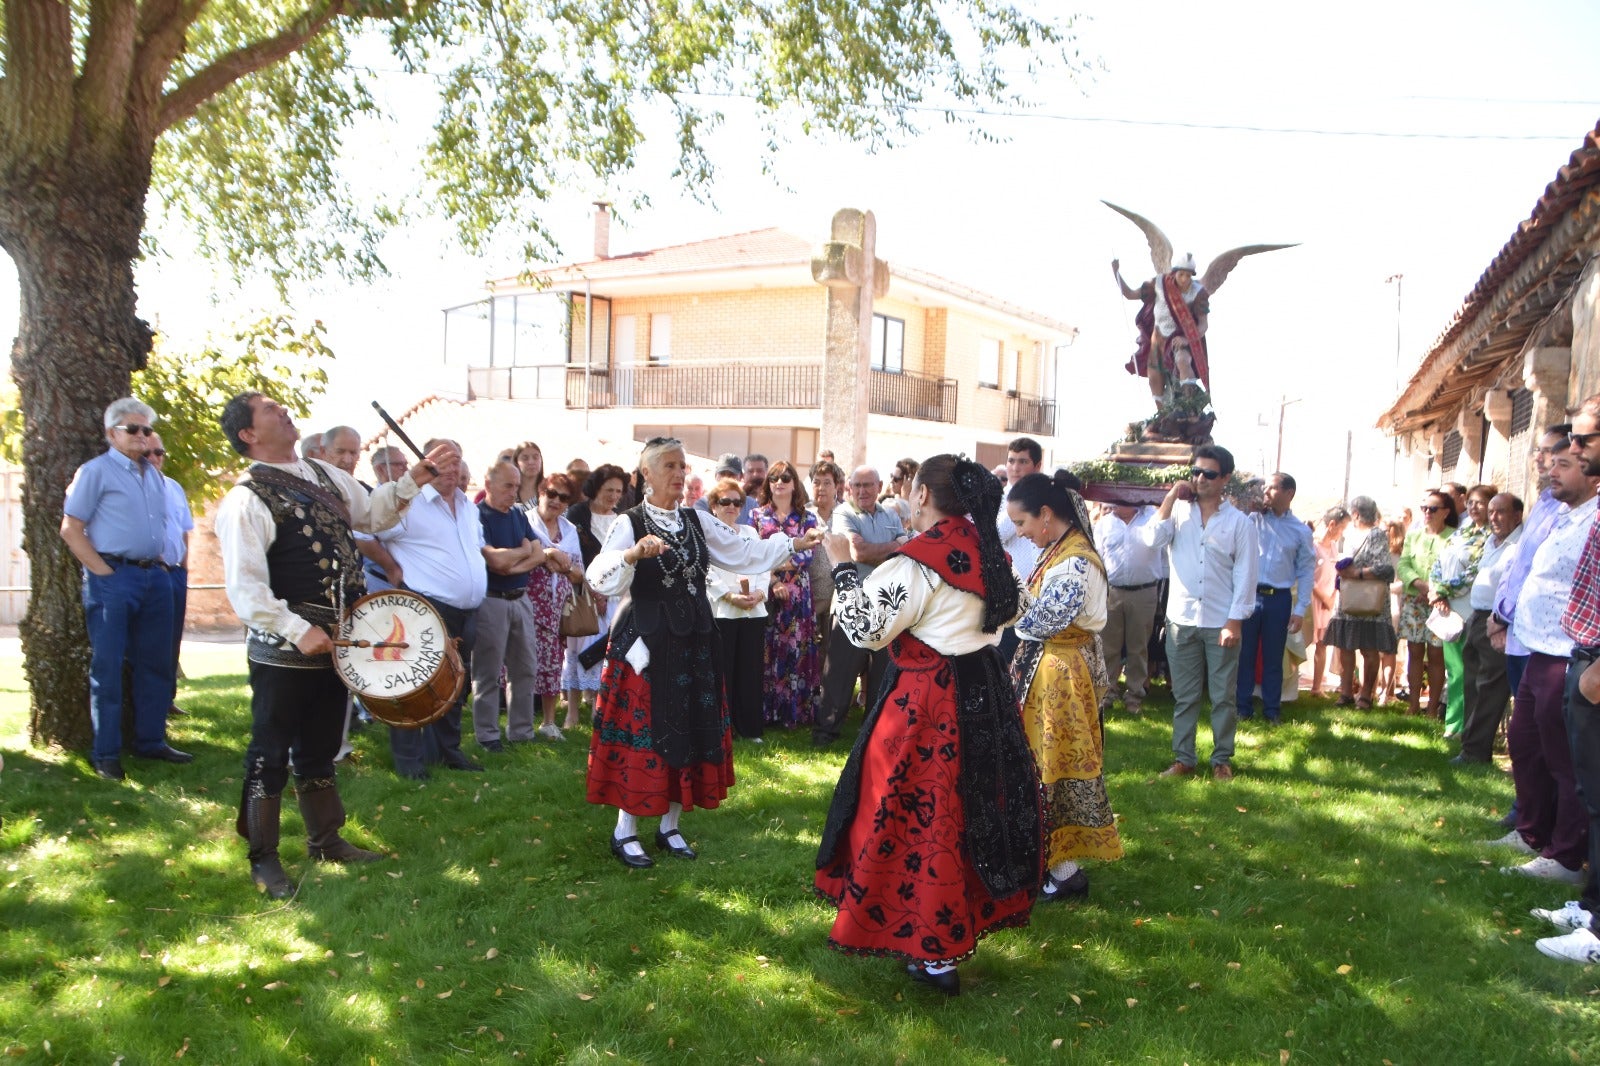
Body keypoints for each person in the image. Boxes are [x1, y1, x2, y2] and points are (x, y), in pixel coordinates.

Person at [814, 455, 1040, 997]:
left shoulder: (919, 561)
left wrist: (844, 565)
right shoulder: (990, 553)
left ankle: (934, 953)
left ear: (919, 496)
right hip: (984, 690)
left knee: (921, 814)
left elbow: (865, 629)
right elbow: (1015, 610)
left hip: (929, 698)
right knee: (970, 808)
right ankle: (953, 925)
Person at [214, 391, 456, 896]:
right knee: (269, 749)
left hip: (342, 639)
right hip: (285, 647)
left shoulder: (324, 475)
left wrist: (418, 475)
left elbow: (373, 515)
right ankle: (263, 858)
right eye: (269, 410)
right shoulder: (246, 498)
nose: (284, 409)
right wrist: (299, 631)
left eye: (282, 404)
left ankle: (326, 840)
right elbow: (246, 588)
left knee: (321, 745)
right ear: (248, 434)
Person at [585, 437, 823, 868]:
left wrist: (792, 546)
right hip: (648, 646)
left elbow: (742, 551)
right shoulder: (631, 522)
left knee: (691, 729)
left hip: (693, 640)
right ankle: (626, 831)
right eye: (670, 466)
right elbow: (599, 577)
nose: (680, 474)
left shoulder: (696, 520)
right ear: (647, 476)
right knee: (648, 735)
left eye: (682, 466)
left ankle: (670, 825)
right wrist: (632, 555)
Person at [1008, 471, 1123, 901]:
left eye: (1021, 524)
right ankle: (1055, 867)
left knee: (1051, 770)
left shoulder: (1074, 561)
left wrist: (1008, 596)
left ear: (1045, 514)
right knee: (1040, 770)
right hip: (1053, 670)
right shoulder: (1060, 550)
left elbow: (1041, 622)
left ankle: (1064, 873)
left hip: (1061, 677)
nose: (1020, 534)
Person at [1490, 448, 1598, 886]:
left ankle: (1567, 857)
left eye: (1565, 465)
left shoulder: (1594, 518)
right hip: (1537, 645)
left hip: (1570, 650)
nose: (1552, 470)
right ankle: (1532, 831)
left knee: (1565, 759)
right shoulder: (1564, 514)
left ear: (1592, 476)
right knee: (1525, 741)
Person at [60, 398, 181, 780]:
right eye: (133, 429)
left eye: (146, 430)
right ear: (112, 433)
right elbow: (71, 529)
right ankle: (106, 753)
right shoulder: (95, 472)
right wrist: (104, 573)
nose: (142, 437)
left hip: (155, 577)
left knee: (157, 664)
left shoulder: (155, 475)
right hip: (114, 577)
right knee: (108, 667)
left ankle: (150, 742)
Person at [361, 438, 487, 779]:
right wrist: (388, 565)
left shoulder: (468, 505)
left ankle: (447, 752)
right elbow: (360, 529)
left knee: (454, 687)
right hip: (424, 609)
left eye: (456, 458)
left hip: (466, 612)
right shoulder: (408, 504)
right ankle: (410, 763)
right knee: (411, 687)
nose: (451, 466)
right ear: (424, 461)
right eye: (441, 459)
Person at [1140, 444, 1258, 780]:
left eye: (1209, 473)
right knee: (1185, 696)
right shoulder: (1178, 512)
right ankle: (1184, 759)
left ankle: (1221, 759)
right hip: (1182, 620)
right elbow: (1150, 539)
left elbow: (1246, 575)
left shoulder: (1239, 524)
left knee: (1223, 696)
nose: (1200, 478)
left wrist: (1234, 621)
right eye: (1196, 472)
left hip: (1221, 621)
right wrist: (1170, 497)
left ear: (1225, 479)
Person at [1535, 399, 1600, 962]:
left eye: (1582, 440)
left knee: (1592, 790)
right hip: (1576, 650)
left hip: (1589, 660)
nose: (1571, 450)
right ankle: (1592, 903)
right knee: (1589, 788)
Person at [813, 465, 907, 747]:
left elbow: (902, 553)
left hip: (885, 604)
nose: (863, 491)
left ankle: (873, 734)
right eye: (858, 486)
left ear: (879, 486)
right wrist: (896, 546)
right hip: (850, 601)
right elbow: (857, 551)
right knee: (840, 673)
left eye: (869, 485)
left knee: (882, 673)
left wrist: (889, 549)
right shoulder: (843, 514)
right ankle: (825, 733)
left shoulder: (891, 514)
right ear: (849, 488)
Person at [471, 461, 552, 752]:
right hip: (492, 601)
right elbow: (496, 562)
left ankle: (521, 731)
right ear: (488, 484)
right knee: (488, 672)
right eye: (508, 486)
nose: (513, 493)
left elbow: (540, 553)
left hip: (521, 599)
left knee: (525, 668)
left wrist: (516, 560)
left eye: (516, 486)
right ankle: (487, 735)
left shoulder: (518, 514)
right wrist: (523, 552)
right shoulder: (478, 516)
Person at [1237, 472, 1315, 723]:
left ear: (1289, 493)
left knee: (1273, 657)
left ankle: (1272, 710)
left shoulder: (1300, 531)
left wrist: (1301, 608)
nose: (1266, 493)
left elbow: (1305, 570)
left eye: (1272, 489)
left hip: (1279, 599)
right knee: (1245, 654)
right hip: (1250, 595)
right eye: (1265, 489)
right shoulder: (1252, 519)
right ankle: (1242, 707)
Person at [1454, 493, 1523, 765]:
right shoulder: (1491, 542)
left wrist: (1501, 623)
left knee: (1490, 689)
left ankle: (1475, 751)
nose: (1493, 517)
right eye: (1491, 511)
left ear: (1517, 515)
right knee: (1472, 685)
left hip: (1498, 623)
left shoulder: (1518, 545)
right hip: (1477, 617)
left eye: (1501, 512)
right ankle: (1470, 747)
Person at [751, 459, 821, 728]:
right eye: (773, 478)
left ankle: (796, 712)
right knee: (768, 648)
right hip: (766, 588)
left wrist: (774, 560)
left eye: (785, 478)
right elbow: (752, 553)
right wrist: (771, 578)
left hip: (798, 594)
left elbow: (806, 555)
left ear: (794, 483)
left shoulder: (808, 518)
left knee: (796, 648)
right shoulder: (757, 516)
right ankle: (768, 712)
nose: (779, 483)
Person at [564, 464, 629, 729]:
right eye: (608, 489)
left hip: (614, 595)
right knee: (577, 648)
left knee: (605, 651)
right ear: (595, 489)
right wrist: (593, 589)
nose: (613, 495)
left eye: (618, 491)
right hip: (582, 592)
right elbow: (573, 553)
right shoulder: (578, 514)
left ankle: (598, 709)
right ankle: (571, 712)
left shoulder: (622, 519)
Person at [704, 478, 769, 741]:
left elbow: (763, 563)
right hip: (723, 611)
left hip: (753, 610)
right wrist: (729, 595)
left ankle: (750, 728)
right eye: (725, 501)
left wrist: (760, 593)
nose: (731, 507)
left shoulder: (751, 533)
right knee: (722, 672)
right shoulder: (707, 534)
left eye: (736, 502)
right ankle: (722, 730)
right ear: (713, 506)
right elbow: (706, 571)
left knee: (750, 671)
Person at [1431, 484, 1496, 739]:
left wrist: (1444, 591)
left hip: (1470, 606)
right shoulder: (1461, 533)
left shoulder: (1491, 537)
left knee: (1468, 671)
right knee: (1454, 669)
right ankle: (1453, 723)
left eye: (1481, 502)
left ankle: (1467, 725)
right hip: (1447, 607)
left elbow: (1474, 573)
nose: (1474, 507)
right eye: (1471, 502)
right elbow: (1439, 562)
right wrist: (1436, 590)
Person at [526, 472, 586, 739]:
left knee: (552, 663)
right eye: (551, 494)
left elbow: (579, 574)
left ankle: (549, 723)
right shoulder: (526, 522)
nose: (556, 501)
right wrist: (548, 555)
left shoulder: (570, 531)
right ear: (540, 493)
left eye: (563, 498)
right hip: (526, 602)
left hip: (556, 608)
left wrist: (562, 564)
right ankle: (521, 721)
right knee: (521, 663)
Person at [1093, 502, 1166, 716]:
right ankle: (1107, 693)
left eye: (1118, 499)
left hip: (1144, 592)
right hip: (1112, 592)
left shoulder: (1151, 518)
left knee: (1138, 647)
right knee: (1108, 647)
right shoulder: (1105, 524)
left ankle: (1134, 695)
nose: (1112, 504)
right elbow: (1098, 557)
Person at [1322, 498, 1396, 708]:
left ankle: (1365, 695)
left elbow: (1386, 569)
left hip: (1369, 600)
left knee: (1369, 649)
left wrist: (1356, 573)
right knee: (1345, 646)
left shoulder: (1376, 535)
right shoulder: (1351, 535)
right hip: (1348, 599)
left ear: (1355, 513)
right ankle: (1346, 693)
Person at [1398, 490, 1458, 717]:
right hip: (1414, 599)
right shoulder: (1414, 536)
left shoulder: (1454, 537)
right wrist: (1421, 585)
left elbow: (1454, 568)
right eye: (1423, 508)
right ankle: (1413, 704)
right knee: (1414, 651)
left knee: (1436, 654)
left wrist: (1436, 591)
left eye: (1432, 509)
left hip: (1441, 603)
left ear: (1446, 512)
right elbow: (1403, 565)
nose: (1426, 513)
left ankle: (1432, 707)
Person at [148, 434, 193, 717]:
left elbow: (185, 529)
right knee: (153, 641)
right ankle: (150, 706)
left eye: (159, 452)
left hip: (175, 573)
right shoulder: (133, 490)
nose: (154, 458)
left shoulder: (174, 487)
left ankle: (167, 699)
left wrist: (185, 567)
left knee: (173, 639)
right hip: (152, 571)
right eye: (148, 453)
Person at [995, 437, 1044, 665]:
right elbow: (996, 535)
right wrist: (1019, 499)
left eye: (1022, 461)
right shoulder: (998, 499)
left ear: (1037, 465)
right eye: (1011, 461)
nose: (1015, 468)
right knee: (1007, 667)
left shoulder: (1048, 500)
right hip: (1011, 599)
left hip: (1042, 597)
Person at [808, 460, 846, 680]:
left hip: (835, 595)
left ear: (836, 486)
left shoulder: (845, 515)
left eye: (826, 483)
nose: (821, 488)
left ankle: (828, 699)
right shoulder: (804, 515)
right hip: (810, 593)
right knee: (809, 649)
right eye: (816, 482)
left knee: (832, 652)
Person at [1309, 506, 1350, 697]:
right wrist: (1322, 597)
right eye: (1341, 528)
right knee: (1305, 638)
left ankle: (1317, 687)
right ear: (1331, 524)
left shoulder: (1334, 547)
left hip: (1328, 601)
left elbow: (1336, 574)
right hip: (1313, 599)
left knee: (1323, 643)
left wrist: (1332, 595)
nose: (1342, 533)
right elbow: (1307, 575)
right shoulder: (1312, 545)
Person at [881, 457, 918, 525]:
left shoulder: (918, 506)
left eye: (896, 479)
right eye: (891, 476)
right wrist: (905, 500)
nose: (891, 481)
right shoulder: (888, 502)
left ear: (908, 481)